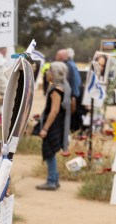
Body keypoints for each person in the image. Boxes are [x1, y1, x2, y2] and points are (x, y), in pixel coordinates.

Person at [36, 62, 69, 191]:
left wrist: (45, 128)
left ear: (54, 74)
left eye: (49, 71)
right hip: (59, 124)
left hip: (53, 125)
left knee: (49, 151)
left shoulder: (56, 90)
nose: (47, 73)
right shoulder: (64, 88)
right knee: (51, 152)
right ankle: (54, 179)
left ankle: (51, 180)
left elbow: (54, 111)